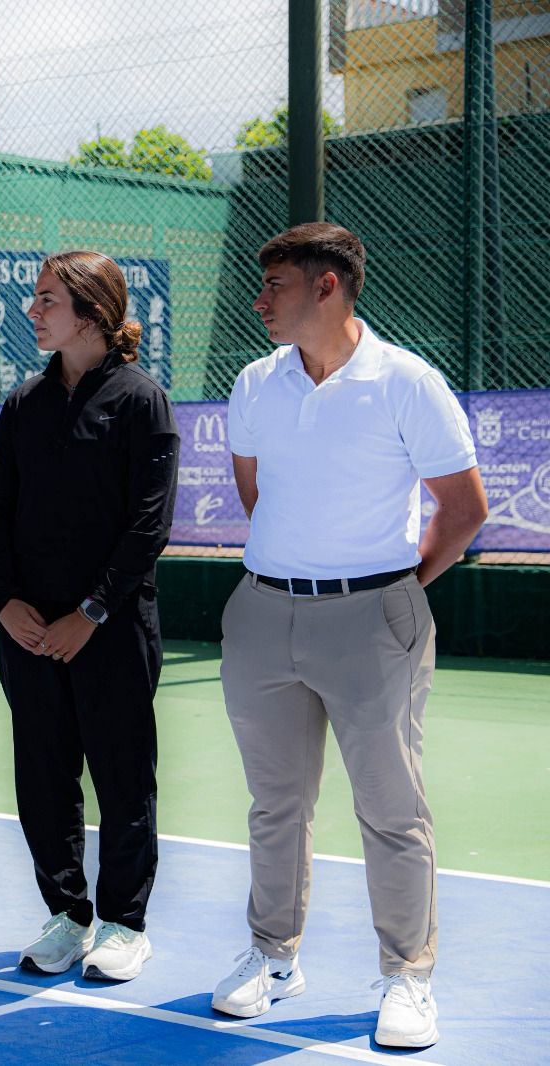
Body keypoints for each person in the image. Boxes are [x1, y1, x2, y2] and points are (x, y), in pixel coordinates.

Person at [212, 223, 487, 1048]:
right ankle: (274, 956)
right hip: (263, 616)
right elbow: (258, 497)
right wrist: (300, 575)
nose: (260, 301)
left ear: (327, 287)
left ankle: (409, 976)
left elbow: (465, 510)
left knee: (391, 809)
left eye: (277, 287)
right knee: (276, 805)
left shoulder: (408, 383)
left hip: (376, 622)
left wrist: (387, 590)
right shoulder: (255, 384)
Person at [0, 251, 179, 982]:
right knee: (43, 776)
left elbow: (148, 526)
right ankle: (67, 914)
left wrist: (90, 611)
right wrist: (4, 602)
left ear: (92, 310)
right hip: (28, 631)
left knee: (123, 777)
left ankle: (125, 923)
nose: (33, 311)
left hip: (112, 630)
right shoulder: (24, 403)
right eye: (35, 299)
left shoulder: (139, 400)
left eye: (47, 299)